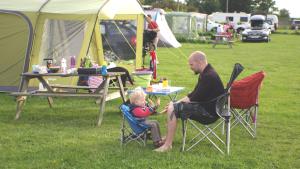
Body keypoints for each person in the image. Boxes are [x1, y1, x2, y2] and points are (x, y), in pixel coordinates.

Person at [154, 51, 225, 152]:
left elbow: (193, 98)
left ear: (199, 62)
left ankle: (167, 145)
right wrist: (175, 103)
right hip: (209, 108)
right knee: (173, 106)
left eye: (191, 64)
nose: (190, 67)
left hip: (208, 114)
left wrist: (174, 105)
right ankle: (167, 139)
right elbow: (194, 93)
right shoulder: (206, 73)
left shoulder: (208, 76)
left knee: (172, 108)